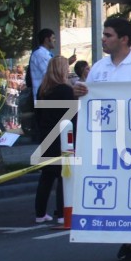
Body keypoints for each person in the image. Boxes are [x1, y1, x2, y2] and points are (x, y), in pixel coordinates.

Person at [73, 18, 131, 261]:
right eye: (103, 34)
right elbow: (90, 100)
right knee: (120, 191)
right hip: (108, 142)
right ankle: (129, 241)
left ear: (124, 39)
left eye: (108, 35)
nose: (103, 39)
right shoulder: (99, 68)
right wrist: (79, 92)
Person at [34, 56, 76, 224]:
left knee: (46, 176)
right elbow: (73, 116)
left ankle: (40, 213)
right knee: (63, 176)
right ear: (62, 70)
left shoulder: (42, 90)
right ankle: (62, 213)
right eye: (66, 67)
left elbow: (38, 115)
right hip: (62, 137)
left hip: (46, 136)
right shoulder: (66, 90)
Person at [29, 29, 76, 102]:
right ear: (47, 40)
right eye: (53, 38)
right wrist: (66, 62)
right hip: (45, 97)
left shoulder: (47, 54)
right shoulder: (40, 54)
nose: (55, 41)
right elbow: (51, 73)